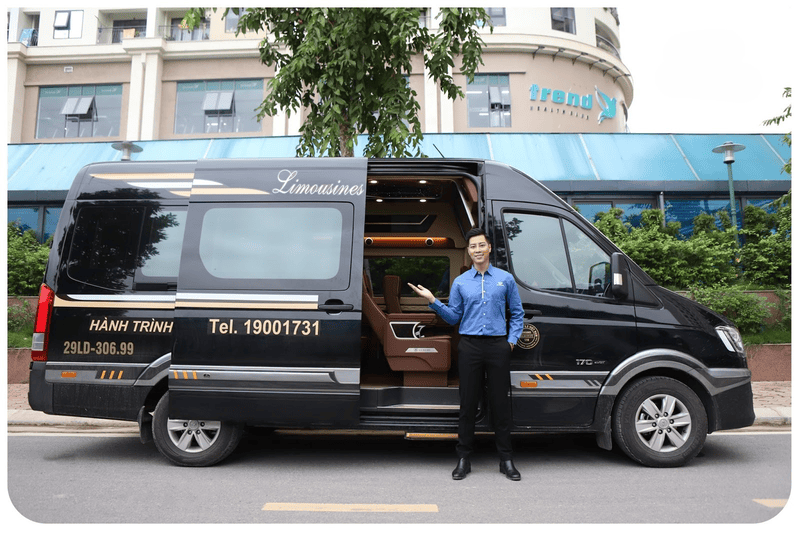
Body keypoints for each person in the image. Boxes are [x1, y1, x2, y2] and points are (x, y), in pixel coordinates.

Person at [408, 228, 524, 481]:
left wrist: (511, 342)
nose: (477, 250)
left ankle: (506, 460)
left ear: (489, 248)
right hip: (469, 346)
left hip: (497, 347)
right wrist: (433, 301)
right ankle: (463, 459)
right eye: (473, 247)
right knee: (467, 404)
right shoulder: (461, 282)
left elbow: (517, 313)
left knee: (500, 404)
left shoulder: (505, 279)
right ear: (469, 251)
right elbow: (453, 317)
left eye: (481, 245)